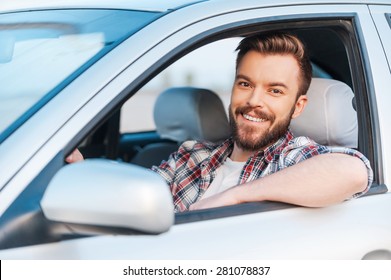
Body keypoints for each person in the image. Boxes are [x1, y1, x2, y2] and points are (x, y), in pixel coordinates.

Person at [67, 32, 373, 213]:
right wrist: (83, 172)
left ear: (297, 106)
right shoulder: (193, 155)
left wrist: (235, 195)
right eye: (245, 84)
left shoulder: (293, 158)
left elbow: (354, 171)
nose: (254, 100)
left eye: (275, 91)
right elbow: (136, 197)